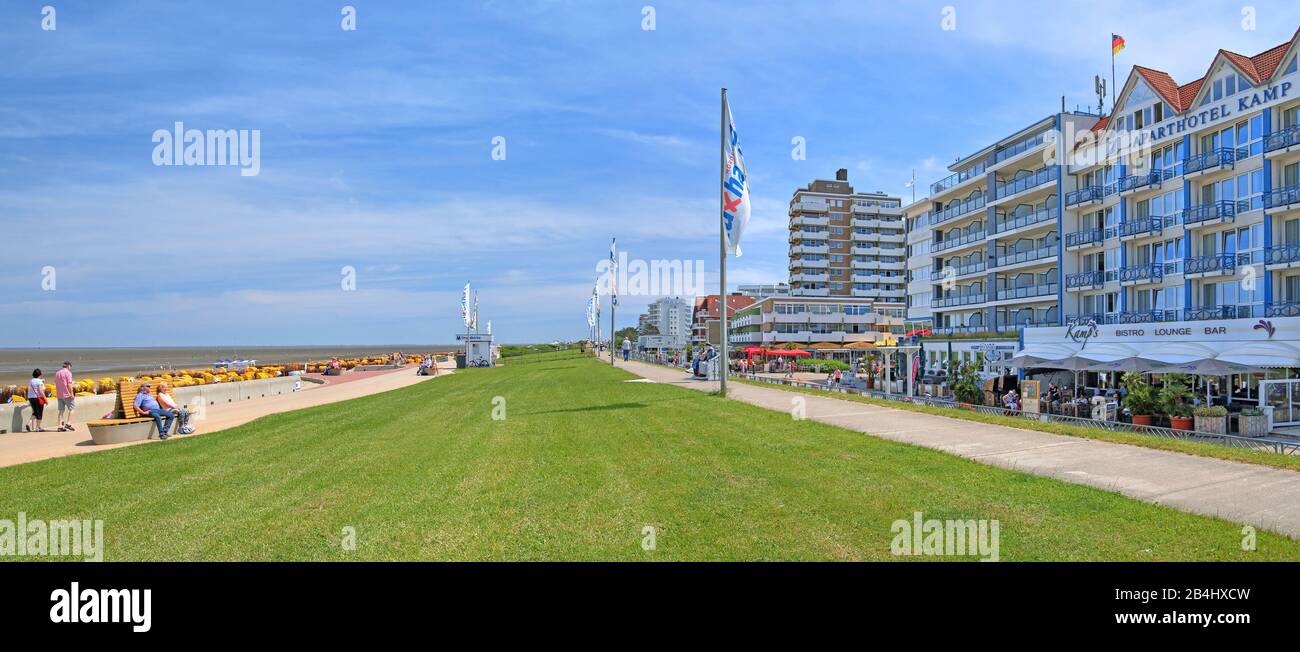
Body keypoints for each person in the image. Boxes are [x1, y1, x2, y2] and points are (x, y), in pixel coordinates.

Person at [55, 361, 76, 432]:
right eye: (70, 366)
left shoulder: (57, 373)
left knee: (61, 411)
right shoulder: (68, 373)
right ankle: (68, 424)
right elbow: (69, 384)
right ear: (69, 366)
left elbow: (56, 382)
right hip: (67, 395)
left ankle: (59, 426)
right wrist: (72, 393)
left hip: (59, 395)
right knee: (72, 409)